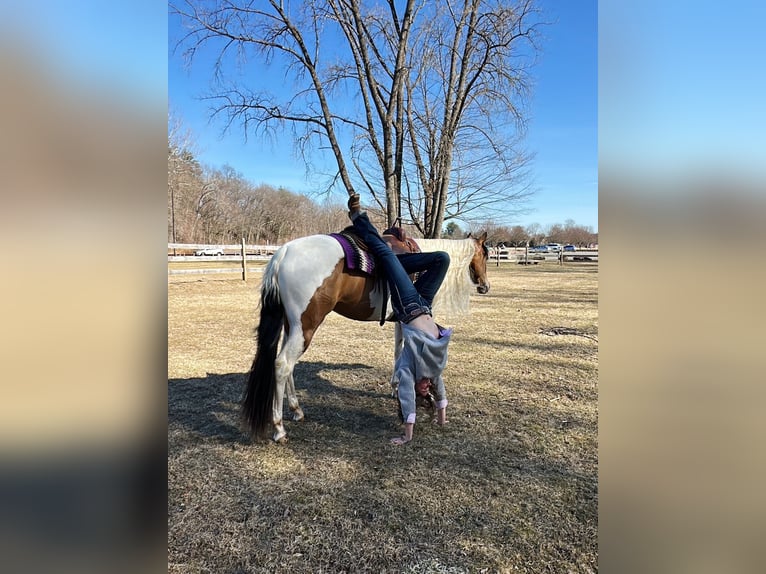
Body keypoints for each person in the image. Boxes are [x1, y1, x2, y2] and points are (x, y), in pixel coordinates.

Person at [347, 193, 452, 445]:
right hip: (425, 304)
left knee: (385, 255)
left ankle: (357, 217)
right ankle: (395, 264)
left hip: (407, 307)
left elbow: (407, 401)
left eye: (421, 391)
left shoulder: (408, 372)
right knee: (442, 259)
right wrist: (441, 418)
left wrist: (407, 435)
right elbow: (442, 396)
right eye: (426, 392)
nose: (425, 389)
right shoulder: (434, 373)